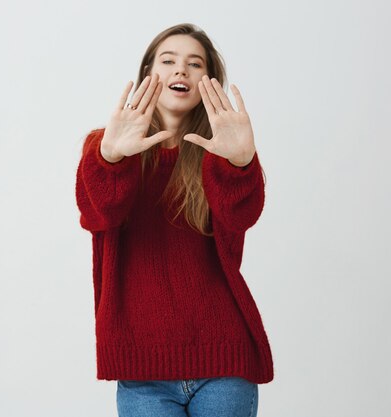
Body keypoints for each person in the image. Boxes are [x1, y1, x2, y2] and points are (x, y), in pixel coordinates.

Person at [75, 23, 273, 417]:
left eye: (194, 64)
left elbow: (242, 217)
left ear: (208, 82)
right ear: (150, 72)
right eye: (169, 60)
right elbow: (98, 213)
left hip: (223, 360)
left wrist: (241, 162)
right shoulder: (105, 145)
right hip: (142, 370)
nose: (181, 70)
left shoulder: (223, 150)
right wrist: (112, 158)